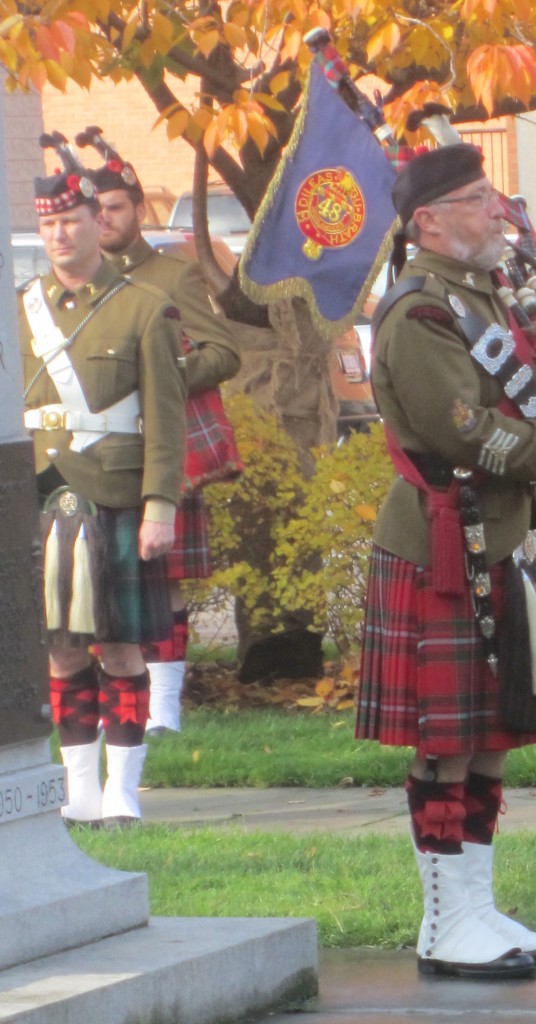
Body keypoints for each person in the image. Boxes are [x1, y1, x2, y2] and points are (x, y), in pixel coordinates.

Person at [355, 144, 536, 980]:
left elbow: (527, 392)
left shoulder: (480, 296)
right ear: (428, 223)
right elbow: (459, 429)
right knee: (446, 741)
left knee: (489, 736)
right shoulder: (417, 313)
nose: (499, 213)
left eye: (494, 197)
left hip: (501, 536)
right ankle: (443, 924)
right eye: (479, 200)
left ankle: (475, 909)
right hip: (443, 540)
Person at [20, 138, 187, 826]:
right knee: (60, 648)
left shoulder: (143, 304)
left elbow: (167, 419)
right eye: (48, 223)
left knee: (119, 645)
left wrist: (160, 505)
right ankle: (78, 789)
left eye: (73, 220)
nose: (61, 234)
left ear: (97, 221)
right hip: (40, 497)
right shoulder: (20, 308)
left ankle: (123, 789)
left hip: (116, 494)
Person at [82, 132, 242, 735]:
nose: (103, 220)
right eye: (93, 210)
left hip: (160, 444)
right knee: (97, 579)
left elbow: (223, 351)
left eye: (115, 208)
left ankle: (165, 708)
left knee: (165, 581)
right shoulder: (74, 284)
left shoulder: (173, 276)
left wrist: (161, 378)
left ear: (139, 209)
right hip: (95, 452)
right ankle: (116, 702)